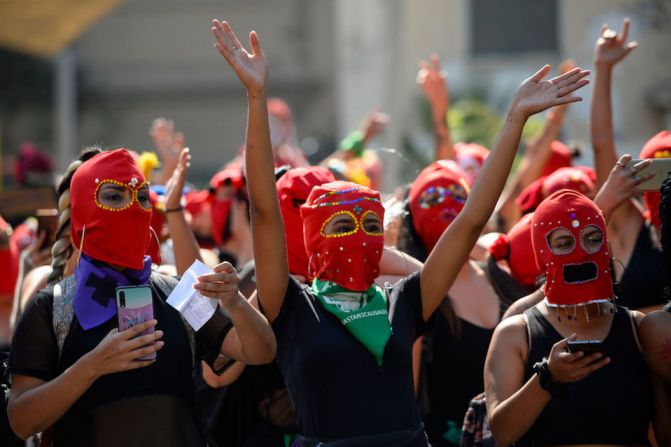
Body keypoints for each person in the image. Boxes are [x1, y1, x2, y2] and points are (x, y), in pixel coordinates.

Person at [211, 18, 589, 446]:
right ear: (312, 237)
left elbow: (468, 223)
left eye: (371, 224)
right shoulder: (294, 306)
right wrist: (256, 96)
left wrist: (515, 119)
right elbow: (264, 211)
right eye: (342, 225)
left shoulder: (404, 301)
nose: (360, 234)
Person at [7, 148, 276, 446]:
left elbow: (260, 351)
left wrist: (235, 302)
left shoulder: (179, 291)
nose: (132, 207)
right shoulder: (51, 307)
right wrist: (91, 366)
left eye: (142, 197)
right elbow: (21, 421)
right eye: (113, 197)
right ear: (83, 211)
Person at [484, 189, 655, 446]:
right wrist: (547, 379)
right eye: (564, 243)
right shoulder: (515, 334)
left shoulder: (639, 328)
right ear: (542, 252)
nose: (582, 252)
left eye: (593, 238)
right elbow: (502, 433)